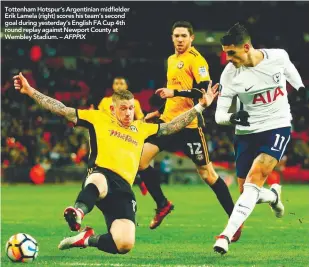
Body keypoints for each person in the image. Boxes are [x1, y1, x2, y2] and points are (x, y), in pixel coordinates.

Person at [13, 72, 219, 255]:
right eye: (123, 108)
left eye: (131, 108)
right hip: (101, 175)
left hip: (123, 190)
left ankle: (87, 239)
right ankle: (78, 212)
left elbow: (172, 126)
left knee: (124, 244)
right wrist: (31, 91)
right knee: (98, 181)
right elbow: (62, 109)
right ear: (113, 109)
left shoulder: (141, 128)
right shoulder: (97, 119)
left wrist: (200, 106)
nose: (128, 113)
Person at [138, 21, 238, 240]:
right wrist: (159, 111)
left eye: (184, 35)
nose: (180, 39)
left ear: (191, 38)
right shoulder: (171, 60)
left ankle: (234, 220)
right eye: (176, 36)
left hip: (189, 126)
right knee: (141, 160)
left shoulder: (197, 60)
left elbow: (203, 91)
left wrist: (174, 92)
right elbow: (171, 95)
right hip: (166, 123)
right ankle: (162, 204)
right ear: (172, 38)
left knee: (207, 174)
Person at [213, 23, 305, 254]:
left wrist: (301, 88)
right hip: (246, 134)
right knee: (247, 191)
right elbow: (219, 115)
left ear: (246, 47)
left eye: (231, 53)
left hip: (277, 126)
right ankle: (273, 195)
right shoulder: (230, 74)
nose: (228, 59)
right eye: (226, 53)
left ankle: (225, 235)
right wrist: (234, 118)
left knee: (257, 176)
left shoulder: (278, 57)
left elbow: (290, 71)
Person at [97, 76, 147, 195]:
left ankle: (133, 183)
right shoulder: (105, 101)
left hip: (125, 137)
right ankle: (138, 180)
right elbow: (100, 117)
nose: (118, 85)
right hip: (109, 136)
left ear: (126, 87)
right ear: (113, 86)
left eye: (121, 83)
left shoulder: (134, 102)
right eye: (116, 83)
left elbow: (141, 120)